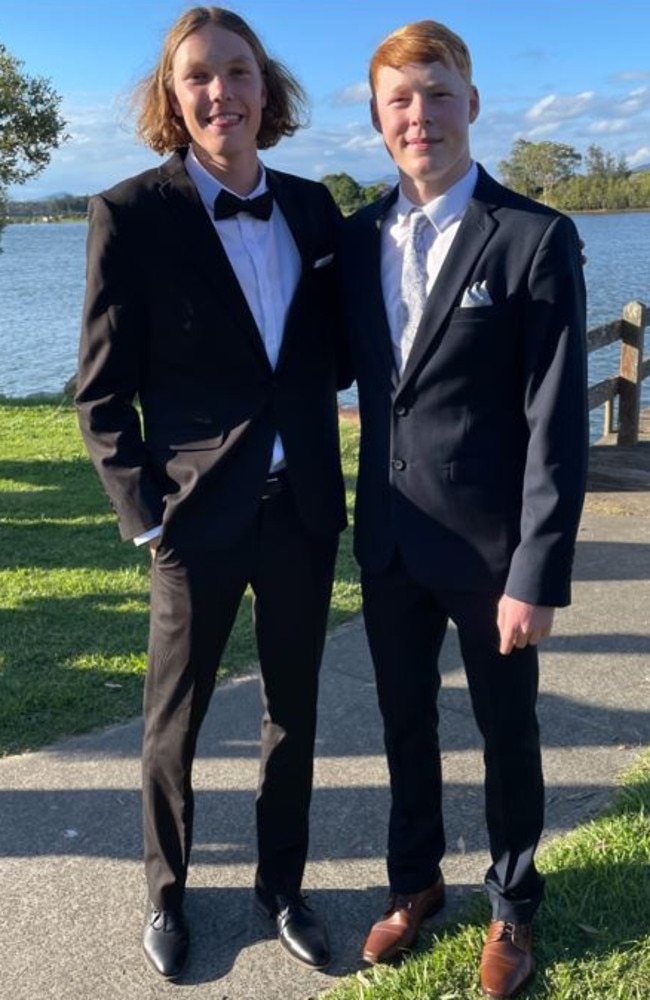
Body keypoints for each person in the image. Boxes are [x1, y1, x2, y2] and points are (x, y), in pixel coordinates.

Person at [76, 5, 347, 981]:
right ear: (172, 95)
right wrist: (144, 517)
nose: (219, 91)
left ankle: (282, 887)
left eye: (236, 72)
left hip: (302, 514)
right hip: (192, 521)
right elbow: (100, 392)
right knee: (173, 721)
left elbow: (348, 354)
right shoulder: (130, 214)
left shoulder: (315, 212)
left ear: (264, 87)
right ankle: (165, 893)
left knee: (294, 713)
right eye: (198, 76)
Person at [340, 19, 588, 999]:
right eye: (398, 99)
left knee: (504, 730)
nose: (419, 115)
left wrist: (534, 571)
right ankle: (415, 881)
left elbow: (555, 418)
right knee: (402, 721)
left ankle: (512, 904)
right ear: (376, 117)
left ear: (471, 103)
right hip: (390, 540)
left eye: (436, 93)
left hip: (491, 552)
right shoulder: (355, 239)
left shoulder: (532, 236)